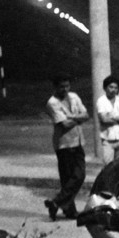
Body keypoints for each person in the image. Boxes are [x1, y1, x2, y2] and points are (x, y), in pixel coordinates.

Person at [44, 73, 89, 221]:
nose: (65, 89)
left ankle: (56, 202)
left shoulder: (74, 97)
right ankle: (69, 210)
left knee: (80, 174)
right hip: (63, 144)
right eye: (61, 86)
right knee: (67, 177)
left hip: (78, 140)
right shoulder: (52, 103)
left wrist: (73, 118)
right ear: (55, 87)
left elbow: (86, 115)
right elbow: (64, 124)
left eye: (67, 86)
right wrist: (78, 118)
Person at [96, 75, 119, 166]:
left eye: (116, 88)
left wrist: (112, 117)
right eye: (111, 87)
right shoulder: (101, 101)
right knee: (108, 166)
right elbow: (104, 119)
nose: (113, 90)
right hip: (107, 139)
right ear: (105, 88)